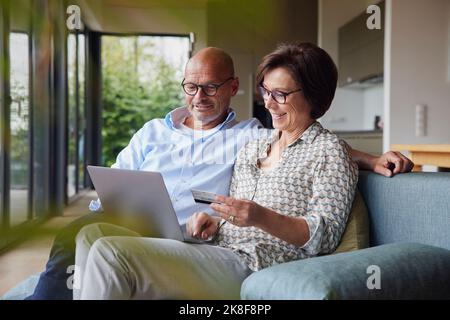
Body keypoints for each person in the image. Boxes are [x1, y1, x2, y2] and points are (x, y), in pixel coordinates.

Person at [27, 46, 413, 300]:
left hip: (253, 260)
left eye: (282, 94)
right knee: (89, 232)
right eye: (267, 92)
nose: (270, 103)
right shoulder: (256, 145)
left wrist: (372, 158)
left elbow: (320, 232)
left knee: (109, 251)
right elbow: (234, 209)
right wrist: (214, 223)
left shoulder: (309, 148)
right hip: (209, 243)